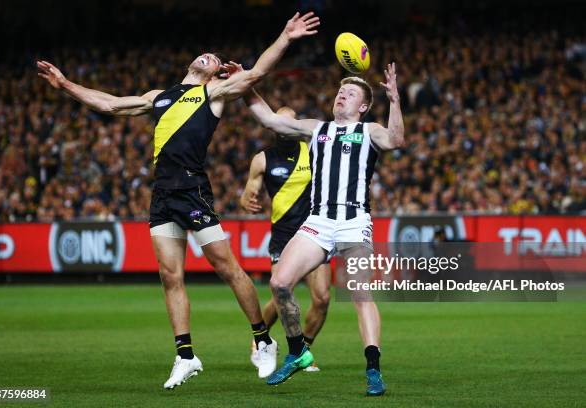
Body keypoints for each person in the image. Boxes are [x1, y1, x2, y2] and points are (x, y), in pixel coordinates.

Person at [36, 11, 320, 389]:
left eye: (214, 58)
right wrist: (66, 84)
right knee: (170, 276)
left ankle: (263, 340)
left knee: (227, 267)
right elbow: (110, 105)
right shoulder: (159, 97)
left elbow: (254, 75)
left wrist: (285, 37)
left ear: (218, 72)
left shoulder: (213, 94)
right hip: (162, 194)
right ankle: (185, 355)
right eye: (204, 53)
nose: (207, 55)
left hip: (192, 189)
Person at [246, 63, 404, 396]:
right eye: (340, 92)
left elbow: (396, 139)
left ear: (362, 106)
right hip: (318, 222)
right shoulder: (317, 128)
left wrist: (394, 100)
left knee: (360, 294)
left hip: (354, 221)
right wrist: (244, 84)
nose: (341, 96)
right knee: (279, 282)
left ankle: (373, 369)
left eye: (350, 94)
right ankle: (297, 352)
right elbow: (270, 119)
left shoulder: (369, 130)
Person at [240, 107, 331, 373]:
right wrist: (247, 200)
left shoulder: (314, 152)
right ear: (273, 127)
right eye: (280, 123)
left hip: (315, 234)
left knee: (323, 299)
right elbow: (248, 193)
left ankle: (303, 351)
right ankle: (260, 340)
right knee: (282, 296)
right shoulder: (262, 160)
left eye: (291, 123)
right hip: (283, 237)